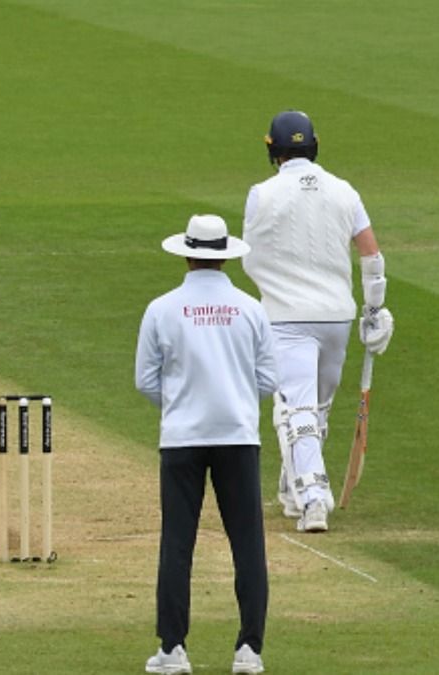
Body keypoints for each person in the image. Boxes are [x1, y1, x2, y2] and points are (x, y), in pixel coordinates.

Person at [135, 214, 277, 675]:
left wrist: (181, 404)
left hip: (182, 439)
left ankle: (173, 650)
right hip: (238, 435)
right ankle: (249, 651)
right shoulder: (251, 308)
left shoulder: (162, 308)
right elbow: (269, 378)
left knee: (177, 541)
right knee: (247, 543)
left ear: (188, 252)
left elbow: (146, 380)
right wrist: (233, 398)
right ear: (224, 256)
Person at [242, 110, 395, 533]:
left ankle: (313, 500)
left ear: (271, 149)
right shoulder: (344, 191)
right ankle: (294, 491)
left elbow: (252, 257)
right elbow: (371, 255)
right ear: (315, 145)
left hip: (287, 318)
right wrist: (374, 309)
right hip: (336, 316)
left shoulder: (262, 193)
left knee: (299, 410)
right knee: (314, 411)